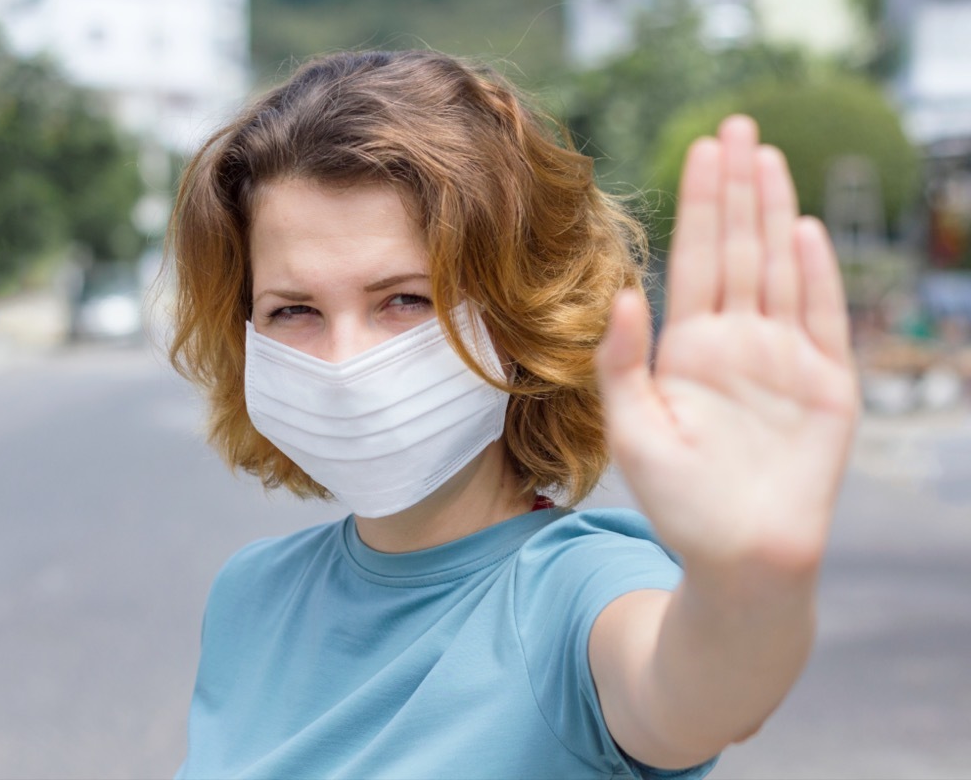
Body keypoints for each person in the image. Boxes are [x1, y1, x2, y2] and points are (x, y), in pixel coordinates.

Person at [166, 50, 859, 778]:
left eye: (405, 299)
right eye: (293, 309)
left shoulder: (577, 593)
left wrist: (746, 579)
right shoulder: (250, 593)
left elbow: (695, 692)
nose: (343, 360)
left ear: (518, 318)